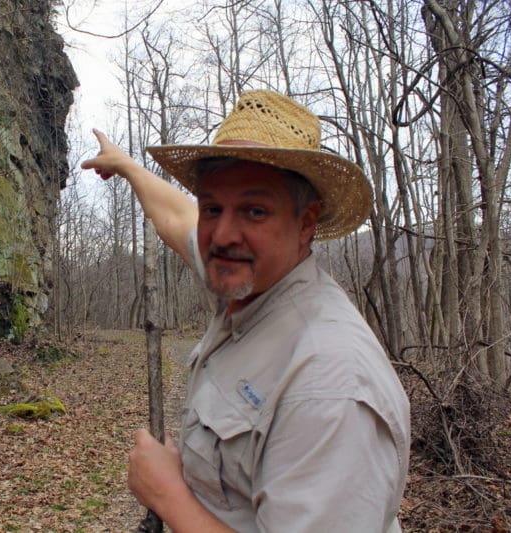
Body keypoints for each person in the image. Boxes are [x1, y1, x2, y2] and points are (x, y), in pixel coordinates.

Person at [81, 90, 410, 533]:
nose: (222, 234)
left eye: (255, 211)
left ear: (306, 223)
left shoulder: (329, 384)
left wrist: (168, 497)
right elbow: (178, 217)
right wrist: (127, 166)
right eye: (213, 208)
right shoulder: (248, 284)